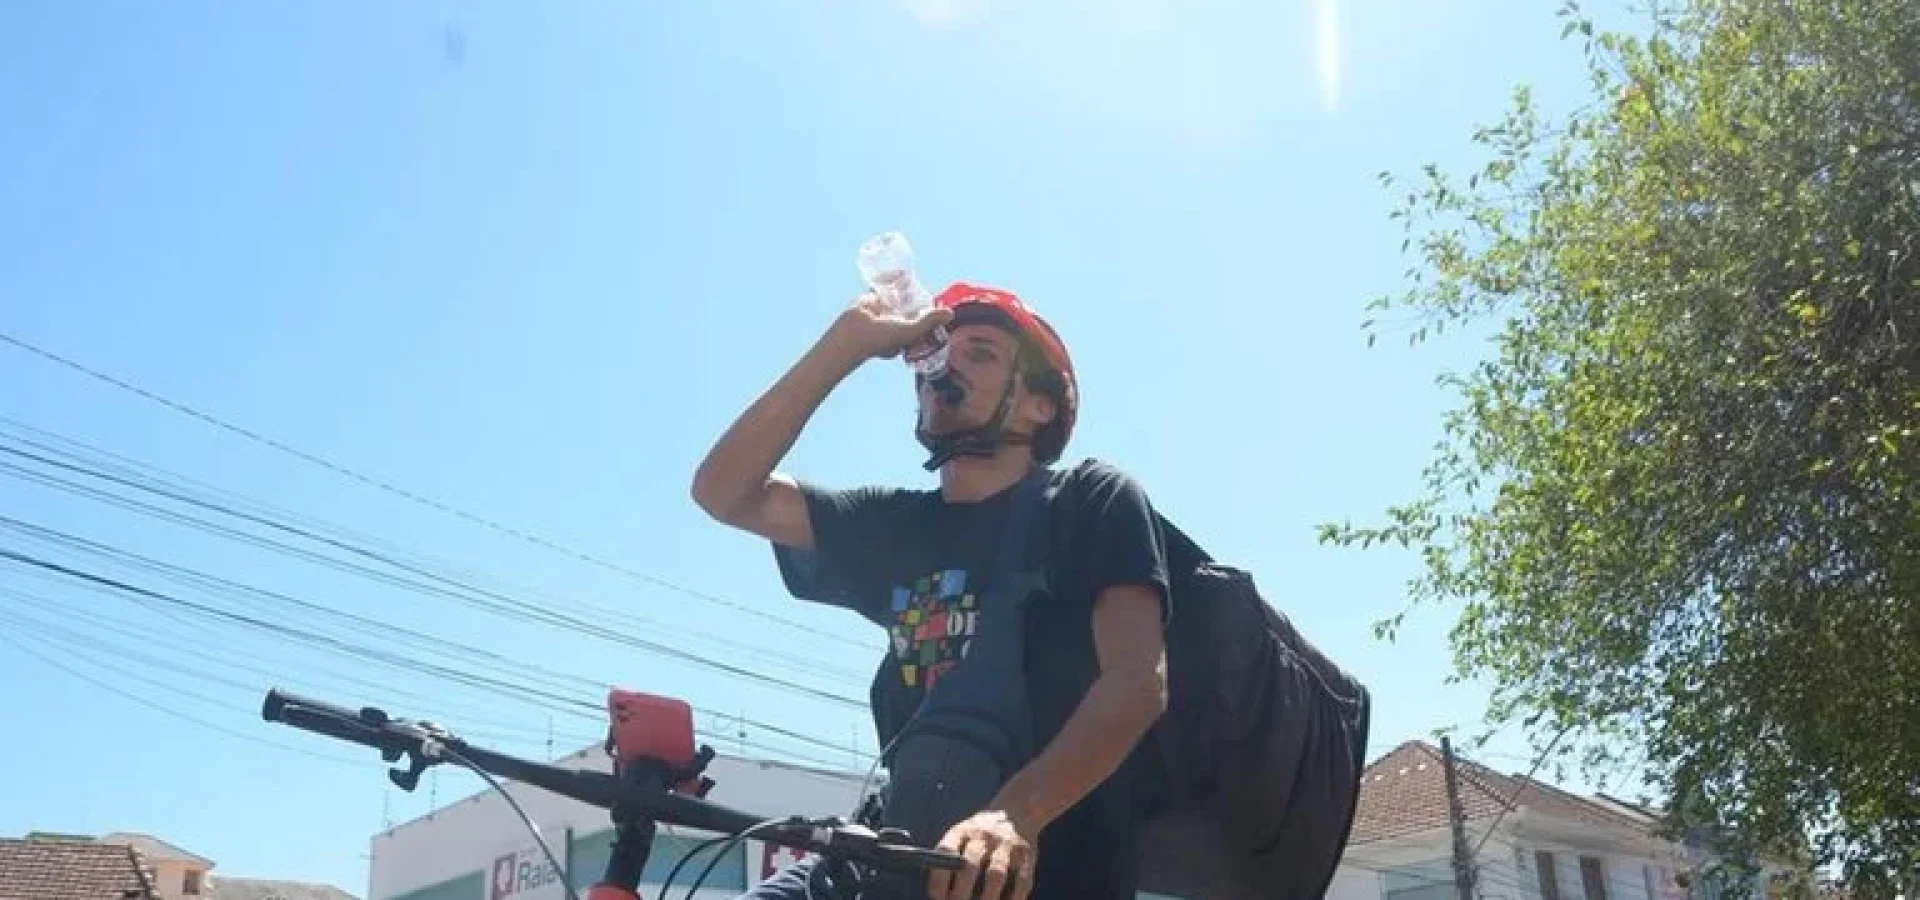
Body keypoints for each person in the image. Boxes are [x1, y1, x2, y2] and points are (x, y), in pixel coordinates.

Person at [691, 281, 1170, 900]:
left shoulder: (1088, 502)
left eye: (982, 353)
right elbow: (723, 491)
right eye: (941, 354)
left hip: (1039, 874)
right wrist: (844, 346)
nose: (946, 368)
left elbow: (1138, 683)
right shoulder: (897, 526)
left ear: (1039, 406)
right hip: (896, 861)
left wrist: (1014, 815)